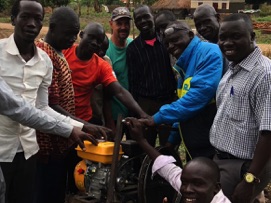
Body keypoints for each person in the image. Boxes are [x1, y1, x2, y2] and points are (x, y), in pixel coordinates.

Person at [0, 1, 101, 203]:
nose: (32, 24)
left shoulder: (44, 61)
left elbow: (42, 107)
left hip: (29, 150)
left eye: (37, 19)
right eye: (25, 17)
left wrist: (81, 126)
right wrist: (69, 129)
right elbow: (17, 109)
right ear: (13, 20)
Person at [35, 7, 110, 203]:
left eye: (74, 34)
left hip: (61, 135)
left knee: (60, 187)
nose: (72, 39)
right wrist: (83, 125)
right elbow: (48, 106)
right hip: (49, 142)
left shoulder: (57, 52)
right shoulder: (45, 55)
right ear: (52, 28)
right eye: (68, 33)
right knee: (48, 191)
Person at [139, 21, 223, 160]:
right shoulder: (184, 66)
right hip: (196, 145)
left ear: (190, 34)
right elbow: (183, 106)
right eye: (167, 44)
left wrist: (156, 118)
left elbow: (198, 96)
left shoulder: (209, 52)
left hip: (211, 145)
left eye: (175, 40)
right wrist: (171, 142)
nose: (171, 46)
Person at [210, 13, 271, 203]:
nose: (227, 43)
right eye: (223, 37)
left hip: (244, 167)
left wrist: (250, 180)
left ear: (252, 37)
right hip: (221, 160)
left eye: (235, 36)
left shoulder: (264, 75)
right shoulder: (233, 67)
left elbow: (269, 132)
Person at [124, 117, 231, 203]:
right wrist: (141, 140)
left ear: (216, 188)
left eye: (198, 184)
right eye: (184, 182)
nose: (187, 189)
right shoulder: (191, 186)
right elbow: (167, 167)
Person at [63, 22, 148, 128]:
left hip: (84, 121)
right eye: (91, 37)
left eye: (99, 41)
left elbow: (120, 91)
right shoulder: (64, 52)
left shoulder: (101, 65)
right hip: (59, 117)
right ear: (81, 35)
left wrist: (142, 114)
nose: (94, 43)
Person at [127, 5, 176, 147]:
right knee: (146, 147)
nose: (143, 21)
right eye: (138, 19)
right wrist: (136, 111)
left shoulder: (167, 42)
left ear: (153, 17)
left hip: (167, 102)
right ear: (135, 23)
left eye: (146, 17)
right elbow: (133, 81)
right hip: (145, 105)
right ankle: (147, 170)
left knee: (168, 146)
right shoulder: (133, 49)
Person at [106, 7, 133, 132]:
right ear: (111, 24)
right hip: (114, 114)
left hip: (133, 111)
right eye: (119, 23)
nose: (123, 27)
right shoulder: (106, 50)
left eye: (126, 23)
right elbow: (104, 90)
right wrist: (109, 120)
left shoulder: (132, 45)